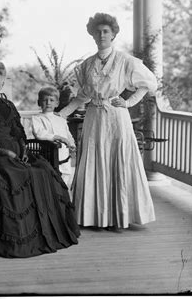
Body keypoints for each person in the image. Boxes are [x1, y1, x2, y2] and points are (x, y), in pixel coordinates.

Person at [0, 60, 80, 258]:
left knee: (43, 169)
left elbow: (19, 132)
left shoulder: (8, 105)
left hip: (18, 153)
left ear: (2, 82)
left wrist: (24, 148)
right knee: (19, 173)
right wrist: (3, 152)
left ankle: (48, 233)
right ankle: (21, 237)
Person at [58, 12, 157, 230]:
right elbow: (82, 97)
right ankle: (95, 217)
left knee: (117, 160)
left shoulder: (125, 61)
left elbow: (149, 84)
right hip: (94, 118)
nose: (102, 35)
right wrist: (61, 114)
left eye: (106, 31)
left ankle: (118, 217)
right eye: (98, 32)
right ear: (92, 35)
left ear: (113, 35)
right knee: (95, 161)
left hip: (116, 118)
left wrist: (128, 102)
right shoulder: (86, 65)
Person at [31, 86, 76, 192]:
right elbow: (39, 133)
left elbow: (68, 134)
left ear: (57, 103)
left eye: (51, 100)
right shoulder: (37, 119)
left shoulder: (61, 119)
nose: (48, 103)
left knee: (65, 175)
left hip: (64, 155)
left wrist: (72, 144)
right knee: (50, 180)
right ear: (39, 102)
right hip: (48, 155)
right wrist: (55, 137)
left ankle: (62, 199)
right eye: (44, 100)